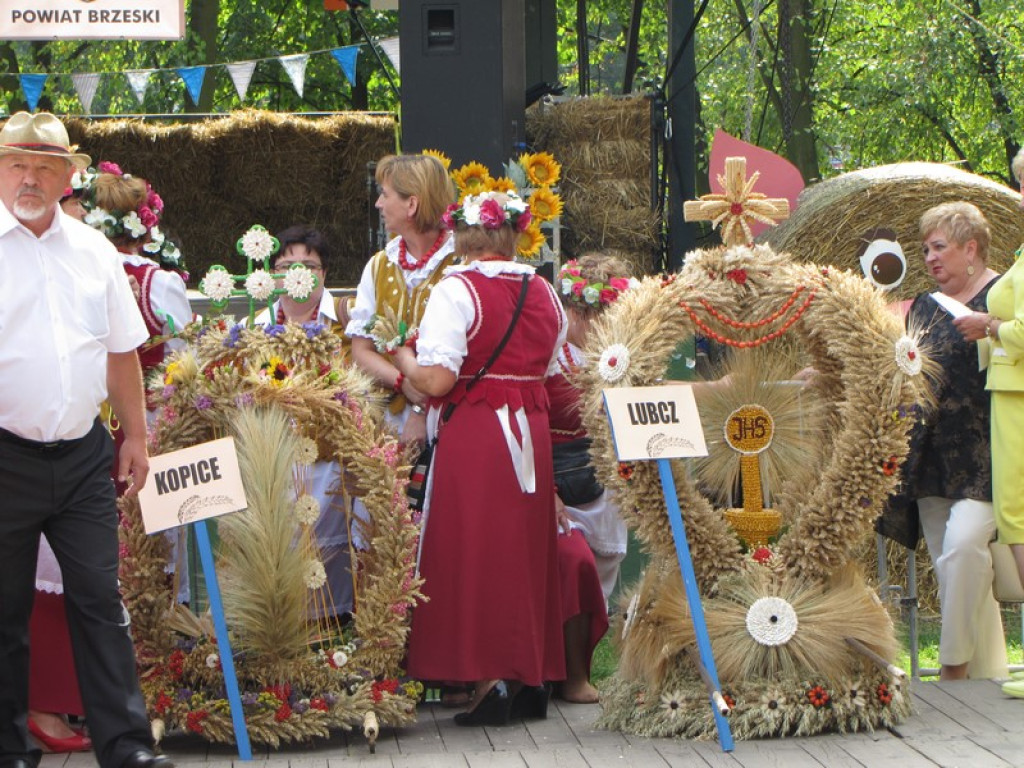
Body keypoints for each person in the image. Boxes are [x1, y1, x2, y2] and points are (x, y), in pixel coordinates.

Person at [0, 111, 170, 768]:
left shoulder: (95, 251)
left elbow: (123, 351)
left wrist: (136, 437)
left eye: (44, 165)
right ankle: (8, 749)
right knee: (4, 612)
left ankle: (127, 748)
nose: (30, 177)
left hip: (82, 453)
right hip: (5, 454)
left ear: (69, 175)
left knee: (102, 600)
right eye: (17, 164)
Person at [389, 190, 567, 726]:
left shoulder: (457, 288)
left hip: (479, 433)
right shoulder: (543, 290)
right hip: (530, 432)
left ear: (462, 235)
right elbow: (555, 375)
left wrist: (402, 358)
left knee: (476, 549)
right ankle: (530, 677)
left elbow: (439, 378)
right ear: (513, 233)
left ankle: (489, 681)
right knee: (523, 550)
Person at [878, 201, 1006, 681]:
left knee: (964, 545)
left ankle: (952, 669)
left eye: (939, 247)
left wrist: (993, 329)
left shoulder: (1005, 294)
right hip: (933, 454)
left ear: (970, 247)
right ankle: (985, 680)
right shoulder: (927, 306)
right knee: (956, 569)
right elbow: (901, 364)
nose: (929, 257)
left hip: (991, 450)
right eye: (925, 249)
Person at [547, 253, 636, 702]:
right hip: (558, 483)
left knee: (600, 575)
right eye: (600, 314)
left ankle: (571, 669)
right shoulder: (546, 353)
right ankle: (572, 676)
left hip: (607, 483)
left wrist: (718, 390)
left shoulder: (622, 358)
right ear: (579, 311)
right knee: (574, 564)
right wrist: (546, 492)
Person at [253, 225, 355, 618]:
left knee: (331, 551)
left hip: (332, 462)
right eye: (286, 264)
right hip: (274, 460)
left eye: (309, 265)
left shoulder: (347, 321)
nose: (297, 273)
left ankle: (334, 627)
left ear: (325, 273)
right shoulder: (253, 327)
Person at [953, 154, 1024, 697]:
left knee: (1017, 518)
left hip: (1018, 395)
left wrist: (991, 325)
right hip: (1008, 391)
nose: (1019, 194)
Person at [345, 154, 458, 447]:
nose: (378, 204)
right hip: (386, 418)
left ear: (412, 204)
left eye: (385, 195)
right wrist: (404, 383)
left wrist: (421, 409)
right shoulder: (380, 265)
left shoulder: (462, 264)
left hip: (451, 417)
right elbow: (361, 349)